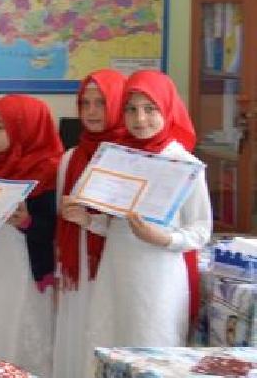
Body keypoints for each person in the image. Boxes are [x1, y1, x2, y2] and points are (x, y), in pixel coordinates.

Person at [80, 72, 212, 359]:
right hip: (115, 270)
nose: (140, 119)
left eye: (150, 109)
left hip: (157, 275)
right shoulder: (118, 158)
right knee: (109, 344)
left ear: (167, 108)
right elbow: (117, 223)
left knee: (151, 347)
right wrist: (88, 220)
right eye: (131, 109)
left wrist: (163, 238)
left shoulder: (184, 163)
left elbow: (201, 230)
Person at [0, 95, 62, 378]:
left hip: (24, 270)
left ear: (24, 129)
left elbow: (54, 228)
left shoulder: (48, 169)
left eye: (0, 127)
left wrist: (28, 222)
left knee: (20, 329)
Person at [51, 70, 126, 378]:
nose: (92, 112)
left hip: (112, 265)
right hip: (77, 266)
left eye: (101, 103)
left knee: (104, 334)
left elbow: (130, 224)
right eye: (85, 103)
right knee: (77, 334)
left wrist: (90, 220)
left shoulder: (129, 157)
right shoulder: (70, 158)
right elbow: (60, 220)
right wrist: (59, 269)